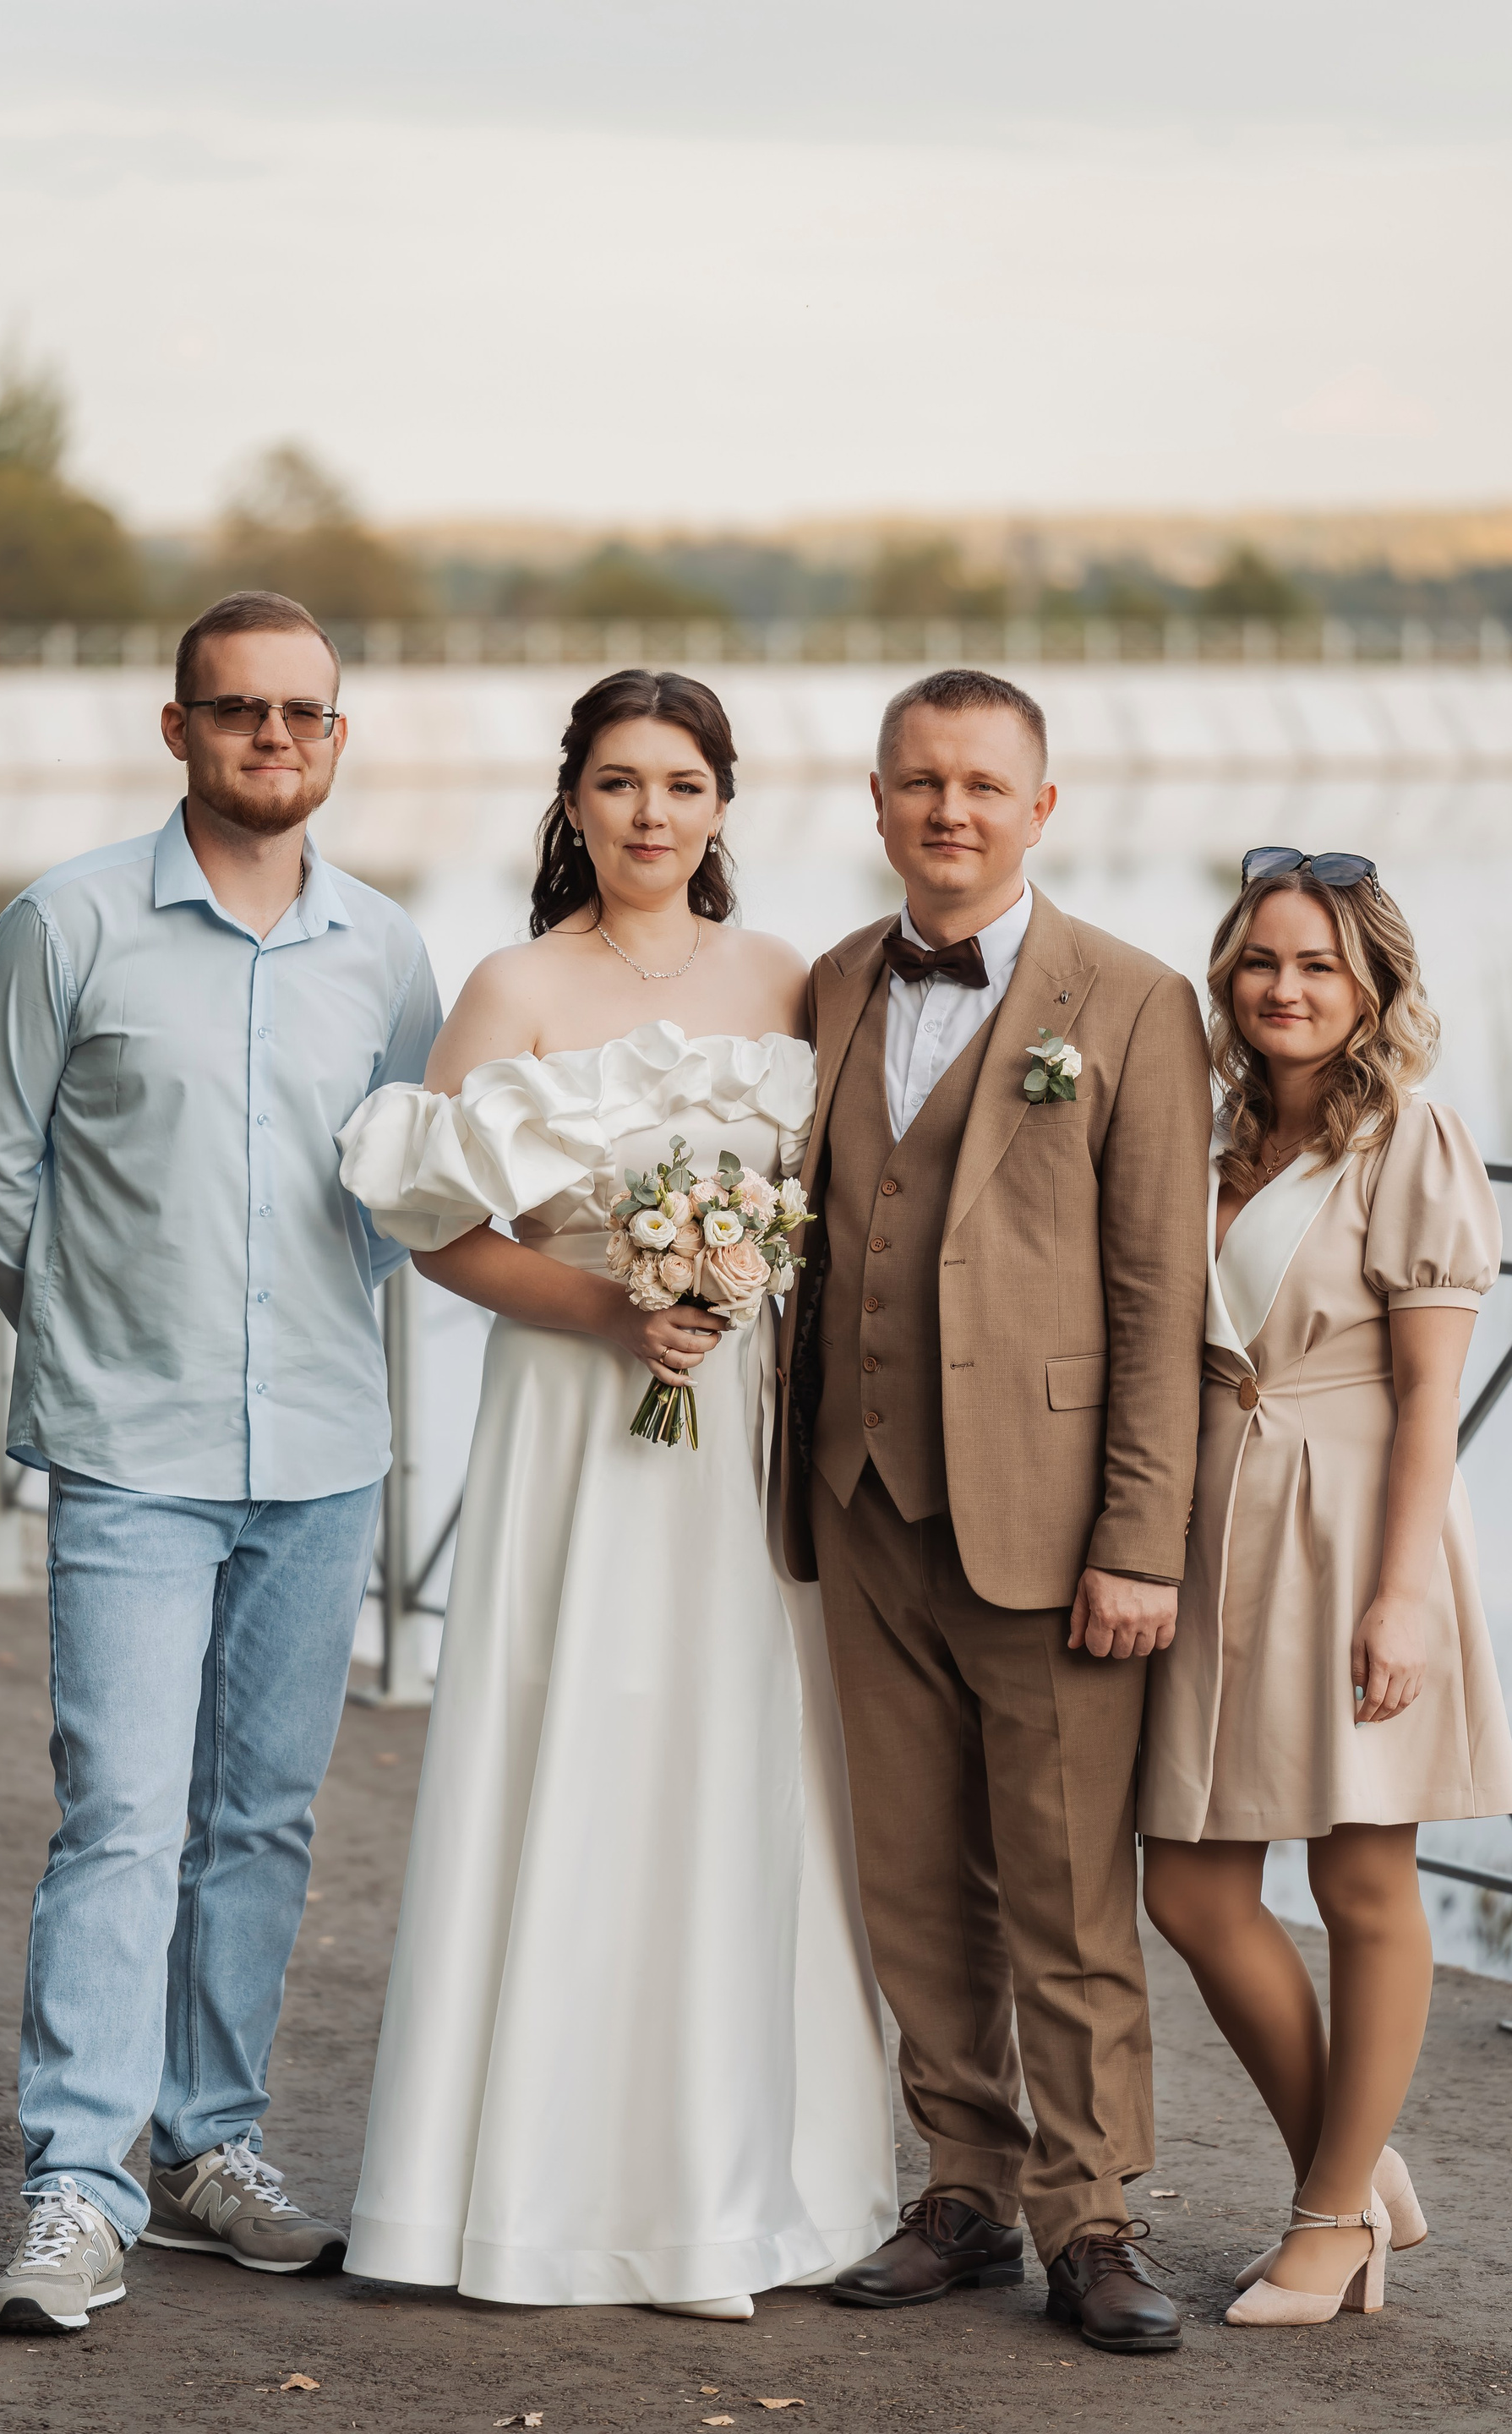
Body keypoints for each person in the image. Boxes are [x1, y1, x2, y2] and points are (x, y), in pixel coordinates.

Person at [335, 668, 898, 2319]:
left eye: (682, 784)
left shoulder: (791, 976)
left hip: (746, 1434)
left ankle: (742, 2188)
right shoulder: (511, 986)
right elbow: (432, 1229)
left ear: (724, 805)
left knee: (745, 1766)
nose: (652, 814)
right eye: (620, 781)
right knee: (570, 1748)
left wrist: (739, 1293)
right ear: (571, 799)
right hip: (577, 1426)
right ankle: (537, 2195)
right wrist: (609, 1308)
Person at [0, 591, 441, 2335]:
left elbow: (398, 1196)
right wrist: (105, 1339)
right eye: (237, 710)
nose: (272, 738)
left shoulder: (389, 952)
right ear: (179, 729)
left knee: (263, 1820)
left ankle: (207, 2146)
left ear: (337, 736)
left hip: (325, 1449)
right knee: (122, 1817)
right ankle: (78, 2187)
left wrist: (303, 1327)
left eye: (303, 712)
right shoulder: (62, 923)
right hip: (131, 1451)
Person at [778, 666, 1211, 2355]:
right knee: (912, 1879)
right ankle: (961, 2186)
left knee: (1067, 1894)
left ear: (1041, 807)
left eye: (979, 784)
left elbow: (1160, 1296)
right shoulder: (831, 983)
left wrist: (1140, 1542)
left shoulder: (1134, 1001)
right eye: (918, 781)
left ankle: (1089, 2215)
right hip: (862, 1496)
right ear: (879, 802)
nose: (947, 809)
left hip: (1051, 1523)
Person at [1139, 853, 1512, 2329]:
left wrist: (1402, 1596)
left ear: (1374, 989)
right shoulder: (1206, 1130)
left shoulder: (1412, 1138)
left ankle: (1327, 2216)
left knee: (1363, 1881)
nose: (1284, 990)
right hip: (1215, 1525)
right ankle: (1354, 2175)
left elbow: (1431, 1394)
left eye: (1318, 966)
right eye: (1260, 962)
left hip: (1359, 1528)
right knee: (1190, 1886)